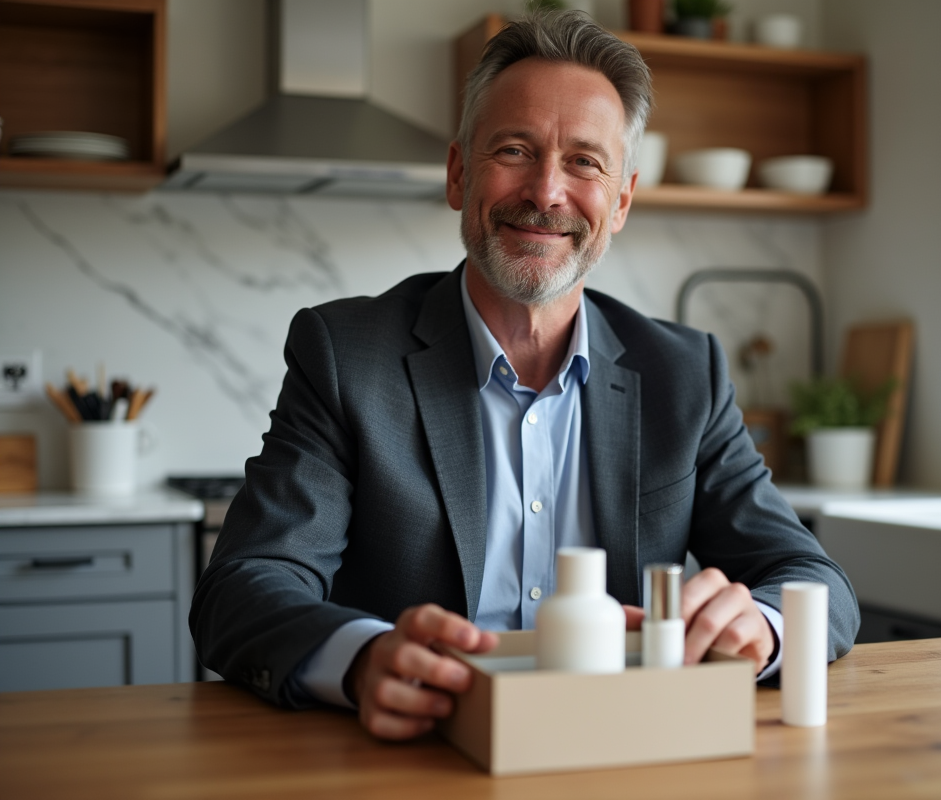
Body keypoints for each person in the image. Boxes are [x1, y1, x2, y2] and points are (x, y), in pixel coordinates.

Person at [190, 10, 859, 741]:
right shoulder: (347, 355)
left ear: (622, 201)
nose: (546, 191)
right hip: (411, 761)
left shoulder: (682, 373)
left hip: (625, 752)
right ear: (458, 173)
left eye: (585, 162)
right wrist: (362, 658)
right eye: (514, 149)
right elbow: (243, 590)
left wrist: (762, 625)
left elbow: (813, 580)